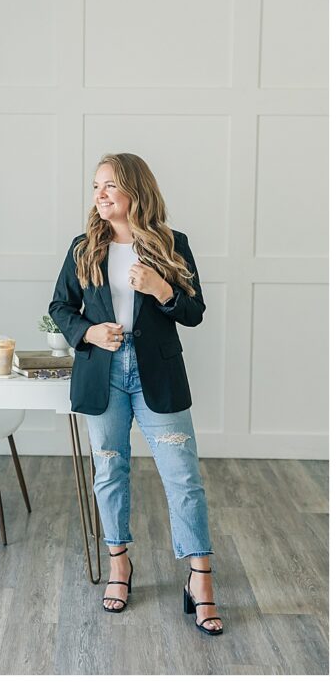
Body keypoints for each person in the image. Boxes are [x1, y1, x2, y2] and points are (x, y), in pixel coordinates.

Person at [48, 152, 222, 636]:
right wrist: (88, 333)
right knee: (110, 470)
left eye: (110, 186)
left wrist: (162, 287)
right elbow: (60, 306)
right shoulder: (84, 247)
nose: (100, 195)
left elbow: (193, 312)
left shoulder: (172, 244)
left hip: (156, 377)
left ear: (135, 190)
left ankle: (201, 579)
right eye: (96, 186)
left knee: (183, 478)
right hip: (102, 374)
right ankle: (119, 563)